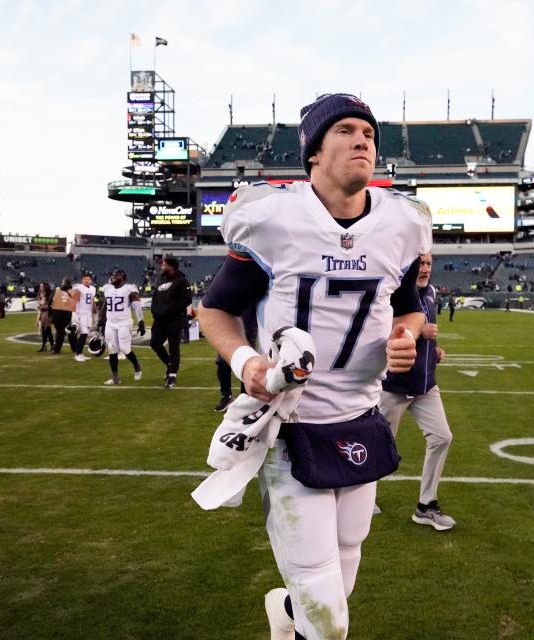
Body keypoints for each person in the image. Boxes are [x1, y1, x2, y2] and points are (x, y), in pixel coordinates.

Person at [198, 93, 431, 640]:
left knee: (344, 565)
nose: (362, 141)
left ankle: (286, 615)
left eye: (369, 134)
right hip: (291, 425)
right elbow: (214, 308)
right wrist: (246, 360)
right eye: (346, 131)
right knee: (327, 615)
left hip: (360, 418)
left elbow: (410, 311)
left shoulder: (400, 224)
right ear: (313, 152)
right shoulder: (275, 219)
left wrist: (405, 338)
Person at [378, 253, 455, 531]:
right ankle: (361, 499)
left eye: (428, 264)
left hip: (425, 386)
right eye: (420, 264)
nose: (424, 269)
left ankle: (426, 505)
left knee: (442, 437)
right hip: (393, 387)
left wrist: (433, 351)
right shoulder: (394, 292)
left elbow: (427, 338)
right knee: (380, 448)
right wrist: (419, 330)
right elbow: (376, 331)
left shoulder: (432, 292)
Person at [150, 256, 193, 389]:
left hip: (174, 319)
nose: (162, 266)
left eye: (164, 264)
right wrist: (155, 310)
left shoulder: (182, 280)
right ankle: (170, 364)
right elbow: (156, 297)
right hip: (159, 319)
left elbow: (187, 299)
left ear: (171, 266)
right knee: (155, 343)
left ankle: (172, 376)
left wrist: (172, 310)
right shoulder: (161, 279)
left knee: (174, 347)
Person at [98, 269, 144, 385]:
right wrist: (100, 320)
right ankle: (115, 378)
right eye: (112, 275)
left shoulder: (129, 289)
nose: (113, 277)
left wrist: (141, 322)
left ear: (122, 277)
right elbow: (105, 305)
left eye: (116, 275)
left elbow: (137, 306)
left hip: (124, 322)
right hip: (110, 323)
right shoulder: (107, 288)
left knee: (125, 349)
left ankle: (137, 366)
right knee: (112, 350)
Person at [213, 304, 257, 412]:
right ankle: (227, 397)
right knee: (222, 363)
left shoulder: (253, 290)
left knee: (246, 364)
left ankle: (245, 397)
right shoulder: (229, 290)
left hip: (247, 329)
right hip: (227, 331)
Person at [71, 273, 96, 362]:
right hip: (80, 314)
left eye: (88, 279)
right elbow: (74, 300)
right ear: (82, 280)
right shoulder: (79, 288)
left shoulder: (93, 289)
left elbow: (92, 301)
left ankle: (80, 353)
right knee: (83, 334)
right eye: (85, 279)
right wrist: (74, 314)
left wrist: (95, 312)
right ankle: (77, 354)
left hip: (88, 314)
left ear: (91, 280)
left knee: (85, 335)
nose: (87, 281)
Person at [49, 278, 75, 354]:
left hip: (57, 313)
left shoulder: (56, 290)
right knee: (71, 332)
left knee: (60, 332)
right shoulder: (72, 292)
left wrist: (50, 315)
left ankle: (57, 349)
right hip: (68, 314)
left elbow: (50, 302)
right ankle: (75, 349)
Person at [36, 282, 54, 352]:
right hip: (42, 313)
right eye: (40, 286)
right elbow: (39, 304)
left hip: (47, 313)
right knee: (44, 330)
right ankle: (47, 345)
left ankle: (47, 345)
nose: (40, 288)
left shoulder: (49, 295)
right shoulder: (40, 294)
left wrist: (41, 307)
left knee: (46, 329)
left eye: (42, 286)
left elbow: (50, 306)